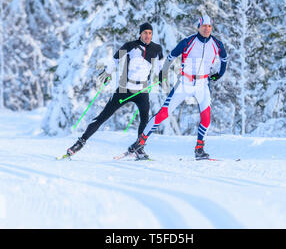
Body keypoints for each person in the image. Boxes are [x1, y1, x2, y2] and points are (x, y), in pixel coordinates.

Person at [127, 15, 227, 160]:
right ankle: (139, 143)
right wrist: (163, 73)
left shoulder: (217, 44)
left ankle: (199, 149)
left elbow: (224, 58)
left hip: (202, 84)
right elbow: (171, 57)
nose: (207, 29)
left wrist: (220, 74)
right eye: (204, 26)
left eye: (209, 26)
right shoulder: (188, 41)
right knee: (163, 114)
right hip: (185, 82)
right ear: (198, 27)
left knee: (206, 118)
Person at [66, 22, 163, 157]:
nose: (148, 36)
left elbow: (160, 66)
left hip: (142, 90)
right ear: (140, 34)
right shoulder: (130, 46)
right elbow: (115, 61)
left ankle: (139, 148)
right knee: (103, 117)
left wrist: (162, 77)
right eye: (145, 33)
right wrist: (107, 73)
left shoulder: (157, 48)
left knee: (144, 120)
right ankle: (80, 142)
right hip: (125, 88)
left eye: (150, 33)